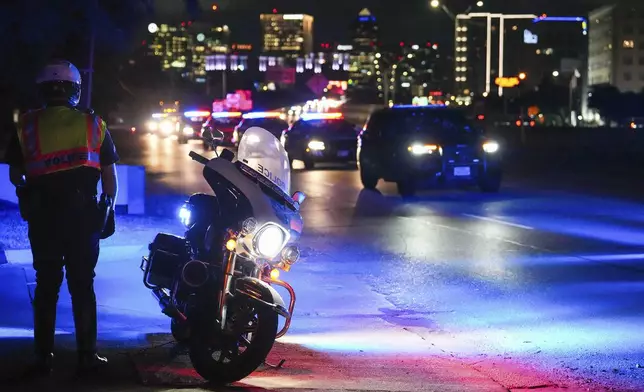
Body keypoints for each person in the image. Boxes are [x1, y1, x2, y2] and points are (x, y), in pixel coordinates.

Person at [4, 60, 119, 376]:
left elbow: (16, 175)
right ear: (75, 90)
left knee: (46, 287)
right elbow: (109, 177)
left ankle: (42, 358)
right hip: (83, 219)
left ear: (42, 91)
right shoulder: (93, 125)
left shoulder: (26, 126)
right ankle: (87, 357)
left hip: (44, 219)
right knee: (83, 286)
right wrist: (107, 209)